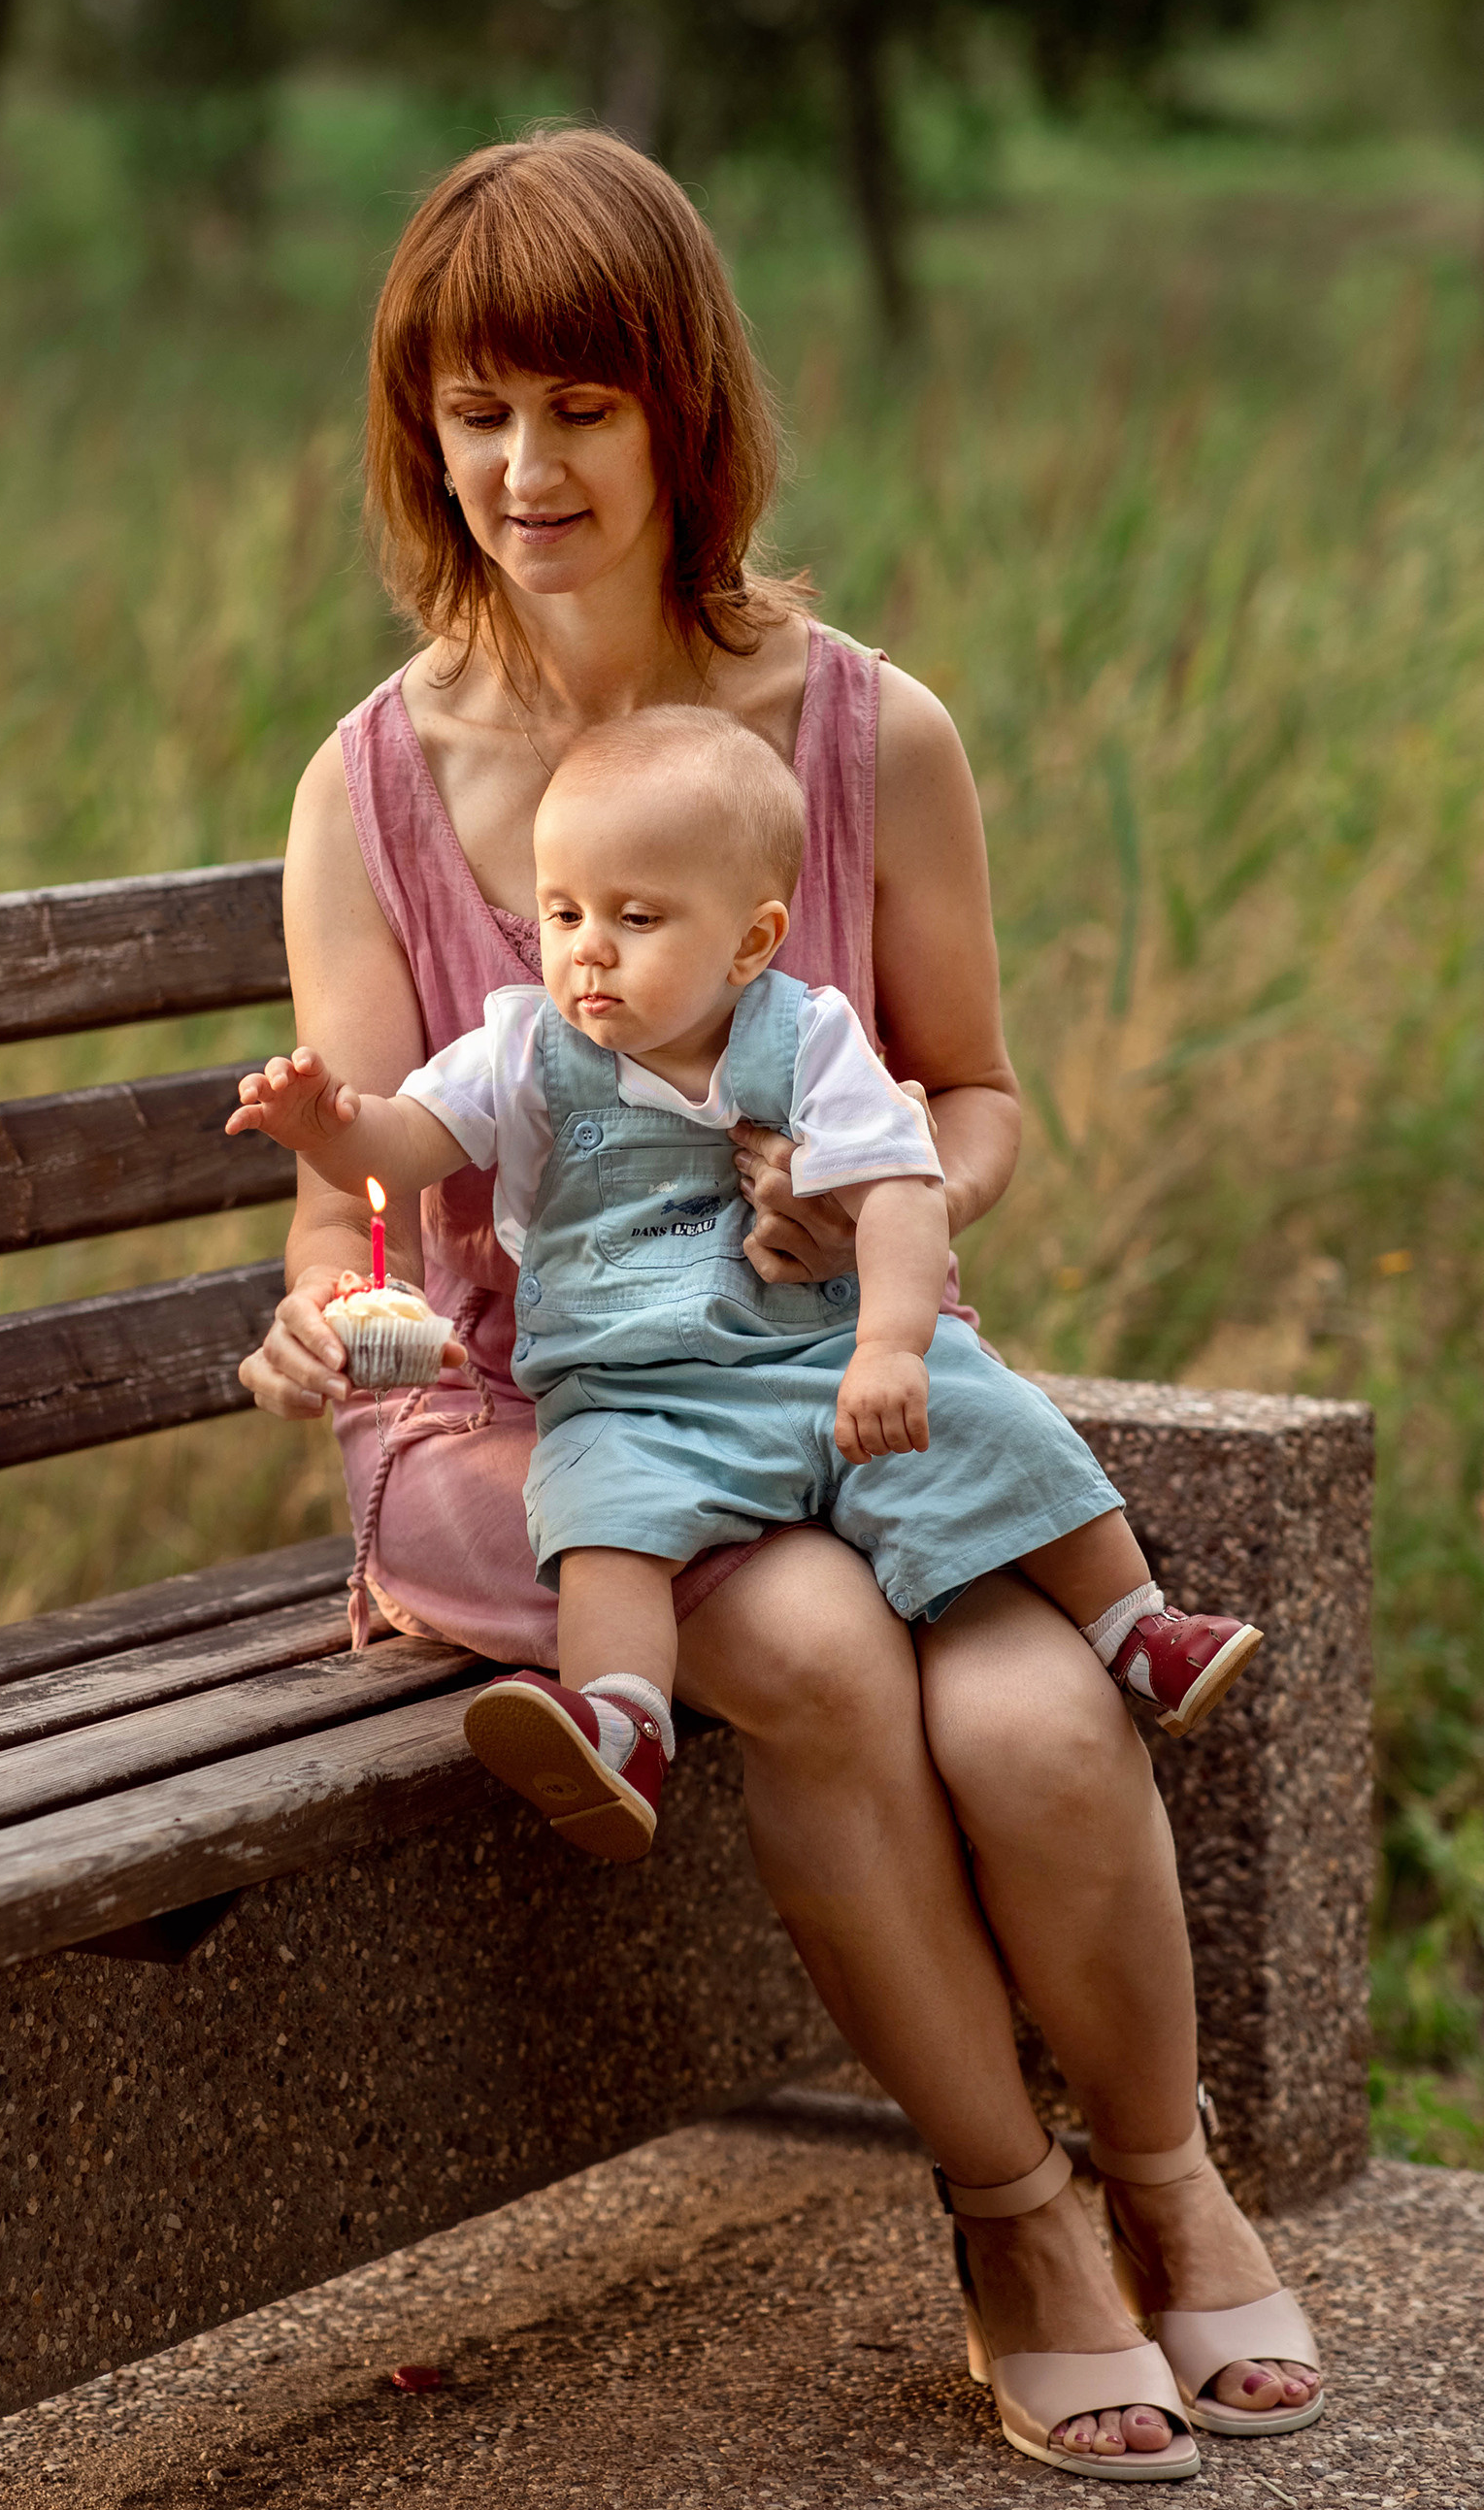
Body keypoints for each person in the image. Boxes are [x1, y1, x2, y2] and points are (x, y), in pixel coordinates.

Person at [237, 126, 1322, 2475]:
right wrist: (327, 1301)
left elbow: (977, 1093)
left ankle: (1174, 2178)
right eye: (471, 411)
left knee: (1038, 1726)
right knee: (819, 1649)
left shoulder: (861, 734)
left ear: (681, 413)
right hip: (535, 1432)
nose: (523, 468)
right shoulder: (368, 786)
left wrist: (882, 1214)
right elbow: (355, 1188)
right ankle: (1016, 2218)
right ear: (418, 430)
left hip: (813, 1370)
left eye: (579, 409)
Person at [230, 706, 1263, 1865]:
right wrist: (329, 1126)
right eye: (561, 912)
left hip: (821, 1356)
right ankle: (620, 1722)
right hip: (636, 1394)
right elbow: (406, 1145)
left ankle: (1136, 1625)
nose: (587, 950)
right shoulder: (520, 1048)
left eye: (635, 917)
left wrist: (887, 1347)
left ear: (749, 940)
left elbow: (902, 1191)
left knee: (984, 1419)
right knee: (601, 1520)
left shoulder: (806, 1037)